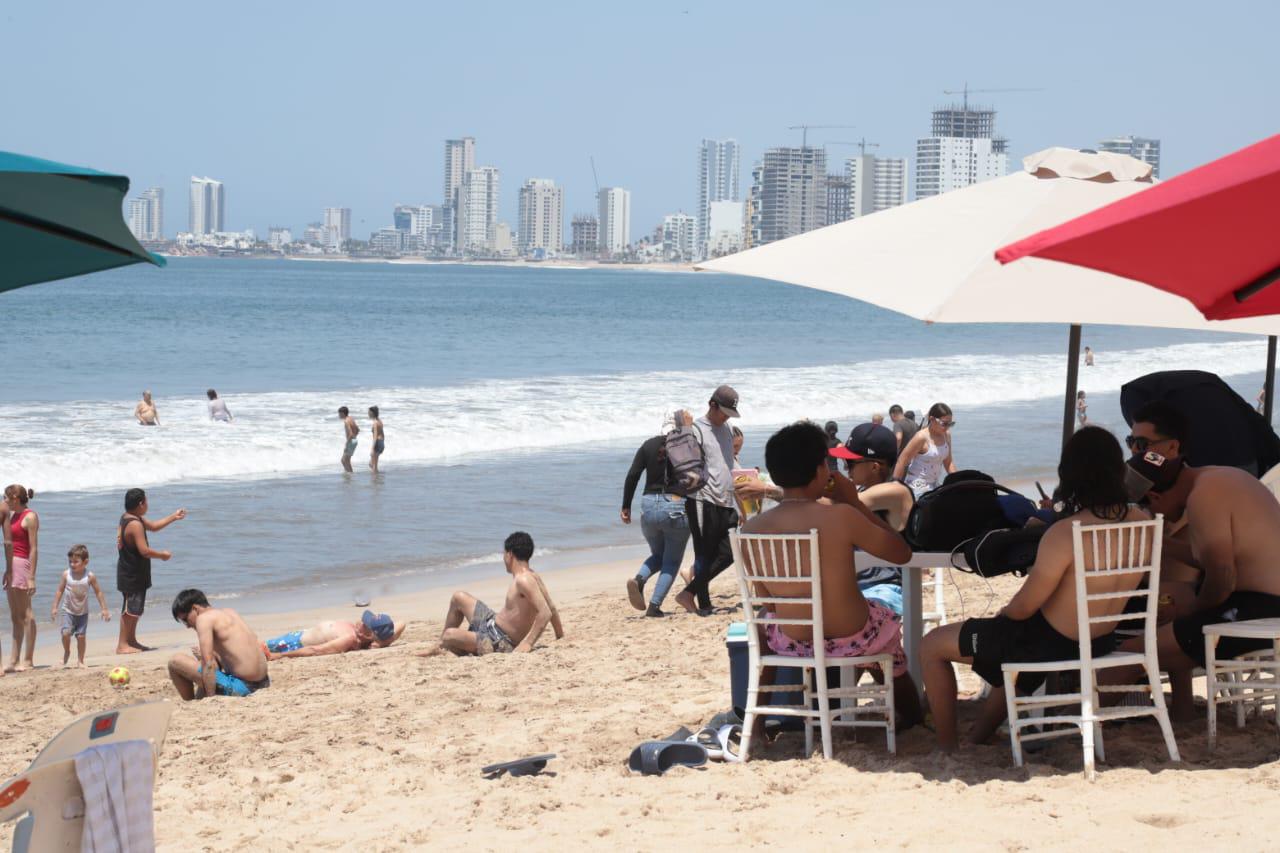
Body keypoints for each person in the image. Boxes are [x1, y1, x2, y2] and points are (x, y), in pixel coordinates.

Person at [918, 427, 1152, 751]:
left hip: (1047, 645)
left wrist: (1002, 617)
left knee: (932, 646)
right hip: (1100, 641)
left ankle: (947, 748)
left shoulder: (1067, 532)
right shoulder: (1142, 522)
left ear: (1070, 474)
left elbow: (1025, 607)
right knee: (1017, 643)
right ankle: (977, 738)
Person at [740, 421, 923, 726]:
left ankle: (757, 724)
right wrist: (853, 502)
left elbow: (769, 604)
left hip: (792, 639)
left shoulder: (751, 530)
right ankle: (914, 718)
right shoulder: (841, 516)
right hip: (853, 635)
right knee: (885, 642)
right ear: (821, 470)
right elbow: (901, 553)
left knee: (767, 624)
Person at [1113, 400, 1280, 720]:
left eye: (1142, 444)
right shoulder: (1216, 478)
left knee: (1132, 653)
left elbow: (1221, 576)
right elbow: (1210, 559)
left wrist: (1192, 612)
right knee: (1172, 604)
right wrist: (1161, 541)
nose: (1135, 451)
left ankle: (1073, 724)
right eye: (1131, 443)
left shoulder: (1205, 496)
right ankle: (1183, 710)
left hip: (1261, 610)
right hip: (1259, 600)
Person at [418, 532, 564, 655]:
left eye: (504, 554)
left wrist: (527, 643)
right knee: (458, 597)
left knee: (450, 635)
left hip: (500, 641)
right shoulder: (532, 576)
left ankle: (448, 646)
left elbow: (545, 613)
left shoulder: (523, 580)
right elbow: (551, 606)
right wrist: (560, 636)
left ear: (510, 554)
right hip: (491, 623)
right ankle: (440, 645)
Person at [830, 423, 914, 615]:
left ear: (875, 466)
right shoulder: (860, 491)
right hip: (857, 589)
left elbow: (836, 504)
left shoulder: (896, 491)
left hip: (886, 590)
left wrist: (772, 491)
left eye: (850, 463)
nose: (846, 469)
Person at [673, 386, 742, 616]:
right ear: (711, 404)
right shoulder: (696, 430)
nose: (726, 417)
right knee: (704, 553)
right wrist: (683, 427)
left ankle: (689, 592)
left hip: (726, 500)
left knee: (731, 552)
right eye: (723, 412)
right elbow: (682, 460)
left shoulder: (728, 429)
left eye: (729, 413)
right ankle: (702, 602)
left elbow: (728, 463)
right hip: (703, 500)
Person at [621, 416, 691, 617]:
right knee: (671, 561)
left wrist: (626, 505)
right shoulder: (686, 445)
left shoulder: (648, 445)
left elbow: (633, 474)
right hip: (676, 505)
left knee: (659, 556)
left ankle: (640, 579)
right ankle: (654, 606)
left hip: (649, 505)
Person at [116, 488, 186, 654]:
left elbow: (153, 527)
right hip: (130, 573)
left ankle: (131, 641)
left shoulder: (130, 517)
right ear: (141, 504)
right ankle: (122, 644)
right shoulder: (134, 524)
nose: (147, 504)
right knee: (129, 610)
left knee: (135, 609)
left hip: (135, 571)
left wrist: (173, 517)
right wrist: (162, 555)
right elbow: (144, 551)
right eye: (146, 501)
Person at [168, 589, 269, 699]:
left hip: (244, 687)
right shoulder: (229, 612)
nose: (187, 626)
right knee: (205, 665)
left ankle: (190, 703)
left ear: (195, 608)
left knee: (175, 661)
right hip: (263, 682)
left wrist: (211, 698)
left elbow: (209, 665)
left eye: (185, 620)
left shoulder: (204, 619)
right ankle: (197, 700)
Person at [50, 545, 110, 668]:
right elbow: (59, 591)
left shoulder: (89, 576)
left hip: (83, 612)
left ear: (85, 562)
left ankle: (80, 660)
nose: (72, 564)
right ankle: (67, 651)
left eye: (76, 562)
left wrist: (104, 609)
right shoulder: (66, 574)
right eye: (70, 561)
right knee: (66, 633)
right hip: (68, 610)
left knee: (81, 637)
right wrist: (55, 607)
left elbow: (98, 592)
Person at [264, 611, 404, 659]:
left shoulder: (349, 638)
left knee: (257, 647)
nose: (360, 622)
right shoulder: (373, 638)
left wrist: (281, 656)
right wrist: (381, 643)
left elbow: (316, 651)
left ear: (370, 635)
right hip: (300, 634)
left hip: (293, 643)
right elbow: (402, 623)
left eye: (364, 625)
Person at [4, 485, 39, 672]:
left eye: (6, 498)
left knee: (26, 614)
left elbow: (33, 548)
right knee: (15, 616)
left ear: (15, 498)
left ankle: (28, 659)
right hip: (12, 566)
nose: (4, 501)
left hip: (22, 564)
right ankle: (14, 659)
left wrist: (31, 577)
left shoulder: (30, 516)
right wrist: (8, 569)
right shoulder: (12, 516)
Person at [893, 403, 956, 497]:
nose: (947, 427)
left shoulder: (946, 435)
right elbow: (902, 461)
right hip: (917, 487)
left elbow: (948, 463)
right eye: (944, 423)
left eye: (950, 424)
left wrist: (959, 481)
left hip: (935, 485)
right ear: (932, 419)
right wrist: (895, 487)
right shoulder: (921, 437)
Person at [339, 406, 359, 472]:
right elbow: (358, 430)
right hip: (354, 441)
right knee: (347, 461)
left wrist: (347, 443)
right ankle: (349, 474)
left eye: (339, 413)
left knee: (343, 460)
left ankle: (349, 475)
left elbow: (350, 434)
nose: (339, 415)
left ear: (342, 413)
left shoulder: (346, 421)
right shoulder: (351, 419)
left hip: (351, 441)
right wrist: (354, 437)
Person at [368, 406, 386, 473]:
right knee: (373, 464)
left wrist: (372, 448)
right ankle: (377, 479)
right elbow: (383, 434)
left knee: (372, 465)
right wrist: (382, 443)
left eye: (369, 412)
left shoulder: (375, 423)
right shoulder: (380, 421)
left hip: (378, 443)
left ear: (372, 413)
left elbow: (375, 436)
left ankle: (375, 481)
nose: (368, 414)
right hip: (381, 442)